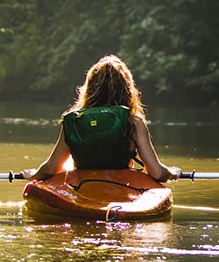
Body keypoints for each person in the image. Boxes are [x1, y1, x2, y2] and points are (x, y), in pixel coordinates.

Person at [21, 55, 180, 182]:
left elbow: (50, 168)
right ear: (127, 89)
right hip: (122, 187)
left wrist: (34, 175)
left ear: (89, 88)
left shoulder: (74, 121)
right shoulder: (134, 122)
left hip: (82, 188)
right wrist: (172, 172)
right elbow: (157, 173)